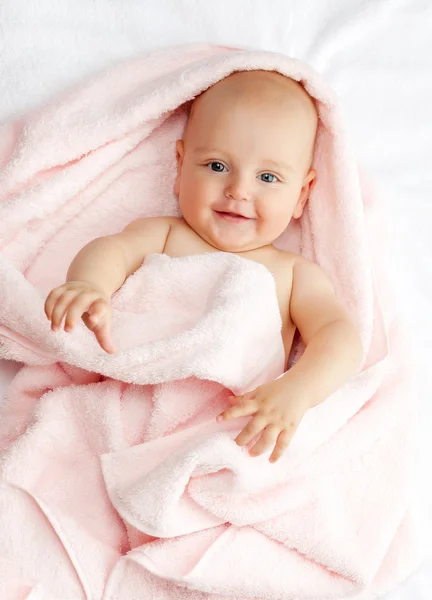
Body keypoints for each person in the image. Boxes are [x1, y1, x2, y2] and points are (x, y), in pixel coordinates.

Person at [44, 70, 363, 462]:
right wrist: (90, 285)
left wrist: (297, 391)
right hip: (127, 402)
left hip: (220, 432)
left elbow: (340, 337)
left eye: (267, 177)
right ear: (179, 167)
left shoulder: (294, 274)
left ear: (302, 195)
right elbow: (112, 250)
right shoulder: (163, 234)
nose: (239, 190)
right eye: (216, 166)